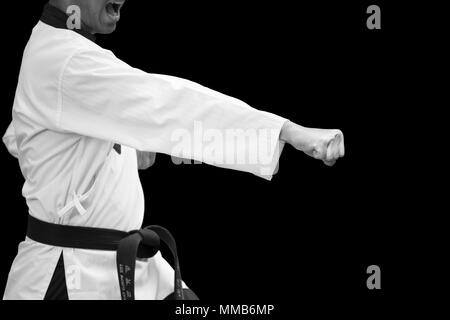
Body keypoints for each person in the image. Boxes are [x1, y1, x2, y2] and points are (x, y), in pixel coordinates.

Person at [2, 0, 344, 300]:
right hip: (72, 277)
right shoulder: (66, 59)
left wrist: (115, 153)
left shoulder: (54, 47)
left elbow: (21, 134)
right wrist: (285, 130)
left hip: (127, 268)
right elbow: (168, 103)